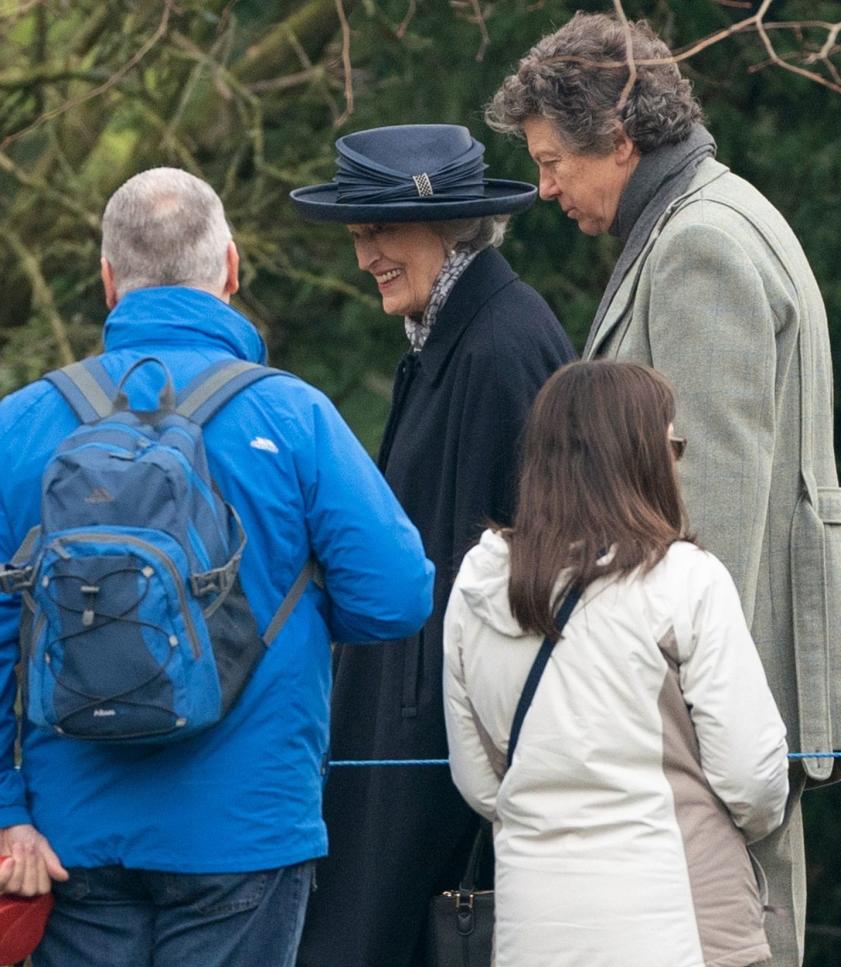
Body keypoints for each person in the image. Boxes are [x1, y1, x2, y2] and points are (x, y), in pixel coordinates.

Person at [485, 13, 841, 966]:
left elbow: (714, 506)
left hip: (718, 700)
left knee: (736, 935)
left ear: (619, 141)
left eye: (550, 160)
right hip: (714, 697)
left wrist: (693, 710)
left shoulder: (699, 245)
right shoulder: (706, 216)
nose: (543, 188)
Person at [0, 167, 435, 967]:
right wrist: (279, 602)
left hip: (68, 833)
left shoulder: (19, 426)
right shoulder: (293, 415)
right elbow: (398, 595)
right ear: (230, 269)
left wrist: (7, 812)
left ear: (107, 280)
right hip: (246, 824)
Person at [290, 124, 574, 967]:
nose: (365, 253)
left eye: (381, 229)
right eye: (357, 234)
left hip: (445, 757)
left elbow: (533, 577)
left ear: (453, 226)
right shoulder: (447, 341)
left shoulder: (501, 346)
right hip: (408, 740)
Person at [443, 360, 790, 967]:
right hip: (680, 927)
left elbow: (479, 784)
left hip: (534, 932)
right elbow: (753, 778)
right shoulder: (686, 580)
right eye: (672, 448)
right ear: (643, 462)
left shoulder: (478, 585)